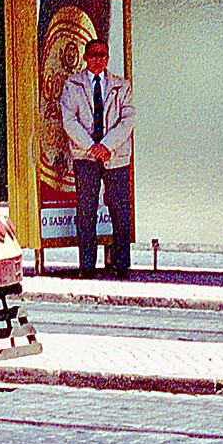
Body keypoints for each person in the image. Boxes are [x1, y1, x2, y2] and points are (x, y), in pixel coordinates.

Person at [59, 38, 134, 277]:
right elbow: (69, 120)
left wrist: (107, 146)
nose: (98, 60)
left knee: (120, 209)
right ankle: (87, 265)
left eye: (102, 55)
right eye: (93, 55)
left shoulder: (121, 86)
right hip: (86, 156)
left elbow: (128, 120)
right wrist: (92, 146)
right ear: (85, 57)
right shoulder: (73, 85)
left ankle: (121, 264)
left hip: (116, 156)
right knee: (86, 210)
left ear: (108, 58)